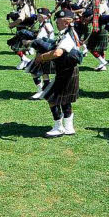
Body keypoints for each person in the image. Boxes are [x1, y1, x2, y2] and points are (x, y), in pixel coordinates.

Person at [35, 8, 81, 137]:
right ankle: (69, 127)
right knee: (65, 100)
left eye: (59, 21)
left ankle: (58, 127)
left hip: (66, 72)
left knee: (51, 98)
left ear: (67, 22)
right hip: (69, 71)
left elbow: (57, 53)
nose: (56, 22)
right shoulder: (70, 32)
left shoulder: (67, 36)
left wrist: (42, 57)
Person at [26, 8, 55, 100]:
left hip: (44, 51)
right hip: (42, 51)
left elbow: (49, 38)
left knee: (34, 71)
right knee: (44, 73)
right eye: (38, 15)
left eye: (40, 15)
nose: (38, 17)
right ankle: (45, 90)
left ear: (46, 16)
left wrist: (31, 41)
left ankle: (40, 91)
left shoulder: (47, 25)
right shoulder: (42, 24)